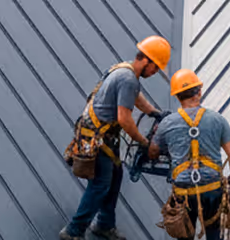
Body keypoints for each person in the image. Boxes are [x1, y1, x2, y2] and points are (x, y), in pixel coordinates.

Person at [61, 36, 170, 240]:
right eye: (155, 68)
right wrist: (145, 143)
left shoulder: (123, 69)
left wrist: (154, 112)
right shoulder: (128, 79)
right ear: (146, 60)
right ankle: (73, 231)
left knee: (115, 176)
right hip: (98, 137)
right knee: (100, 184)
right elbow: (125, 119)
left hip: (99, 134)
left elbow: (134, 97)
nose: (155, 73)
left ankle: (104, 224)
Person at [150, 69, 230, 240]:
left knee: (185, 234)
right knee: (214, 233)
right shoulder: (217, 120)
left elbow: (153, 152)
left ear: (177, 97)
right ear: (199, 92)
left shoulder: (166, 123)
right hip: (212, 188)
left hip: (184, 190)